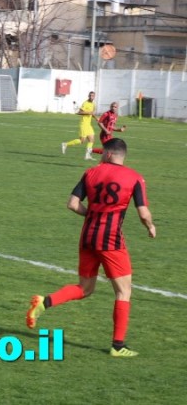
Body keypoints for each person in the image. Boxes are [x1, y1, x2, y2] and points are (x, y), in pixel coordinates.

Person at [26, 138, 156, 358]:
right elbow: (143, 212)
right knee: (124, 291)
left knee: (85, 288)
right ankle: (117, 346)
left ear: (106, 154)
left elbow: (72, 204)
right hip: (111, 241)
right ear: (122, 155)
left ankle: (44, 302)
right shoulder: (134, 177)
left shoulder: (91, 173)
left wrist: (93, 215)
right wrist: (151, 226)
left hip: (87, 237)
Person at [62, 91, 98, 160]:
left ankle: (87, 156)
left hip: (88, 125)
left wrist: (96, 118)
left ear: (94, 97)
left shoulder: (93, 104)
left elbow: (92, 113)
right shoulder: (85, 103)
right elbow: (79, 112)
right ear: (88, 96)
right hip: (84, 124)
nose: (91, 97)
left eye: (93, 96)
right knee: (82, 141)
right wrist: (88, 112)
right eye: (90, 96)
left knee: (92, 139)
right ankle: (65, 144)